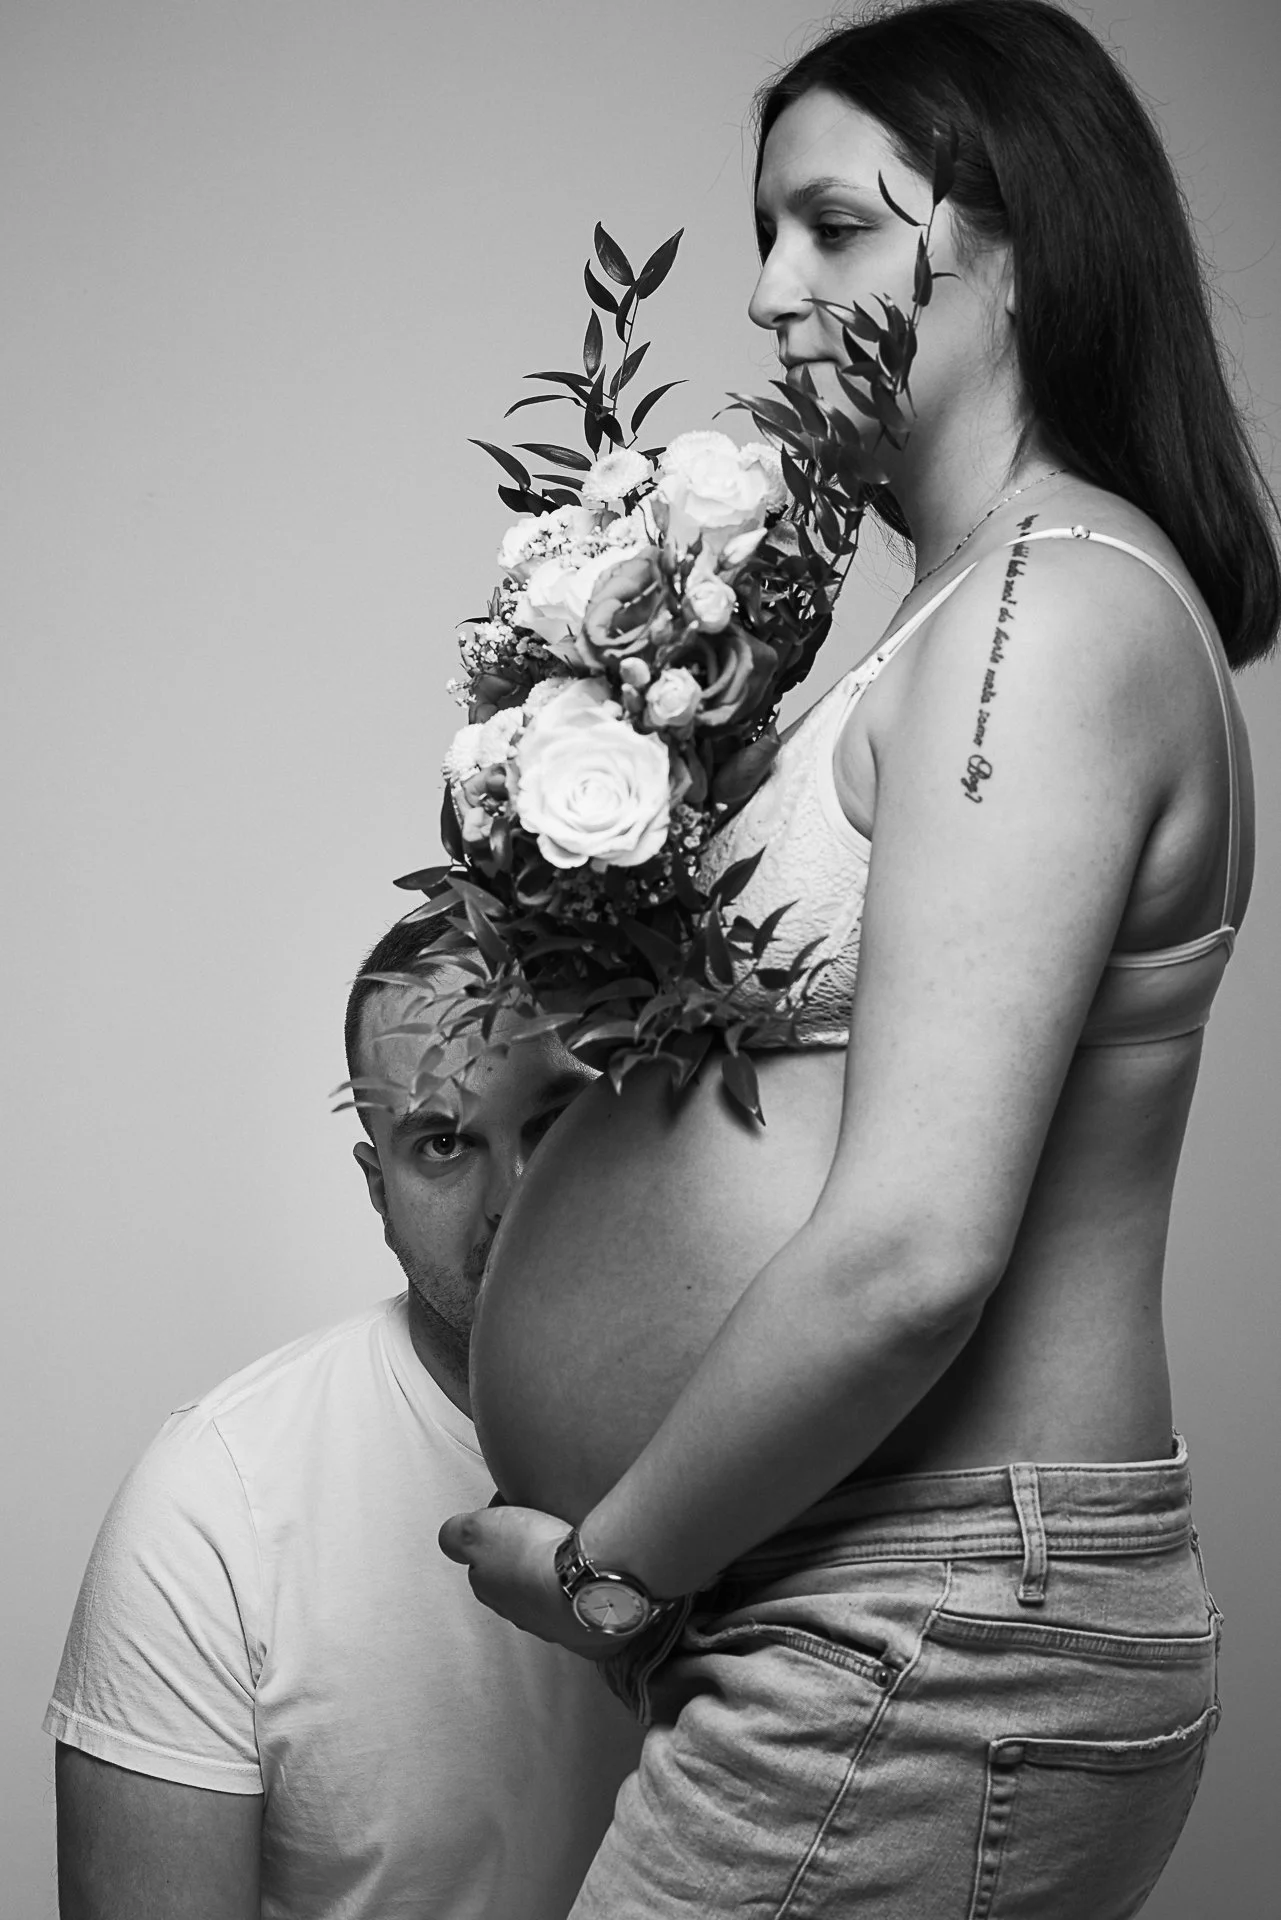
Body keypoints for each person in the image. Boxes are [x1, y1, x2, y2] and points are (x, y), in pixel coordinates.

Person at [436, 3, 1279, 1915]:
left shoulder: (1050, 621)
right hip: (871, 1606)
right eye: (762, 233)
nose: (761, 291)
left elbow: (910, 1252)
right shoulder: (967, 612)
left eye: (831, 226)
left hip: (940, 1620)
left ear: (1015, 234)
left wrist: (607, 1571)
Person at [45, 913, 641, 1920]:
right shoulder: (213, 1509)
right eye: (443, 1142)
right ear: (380, 1191)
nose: (514, 1197)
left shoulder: (802, 1436)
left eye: (554, 1120)